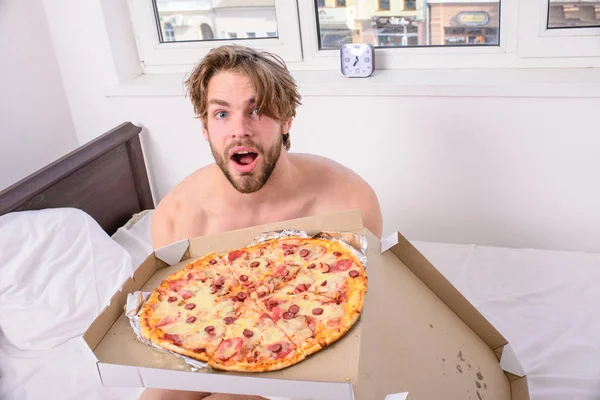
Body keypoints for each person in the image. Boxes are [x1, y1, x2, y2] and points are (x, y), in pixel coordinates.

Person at [142, 45, 383, 400]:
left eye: (256, 110)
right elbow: (183, 324)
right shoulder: (178, 218)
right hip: (217, 336)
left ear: (287, 119)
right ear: (205, 127)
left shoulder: (347, 201)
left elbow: (356, 315)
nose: (240, 130)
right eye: (221, 114)